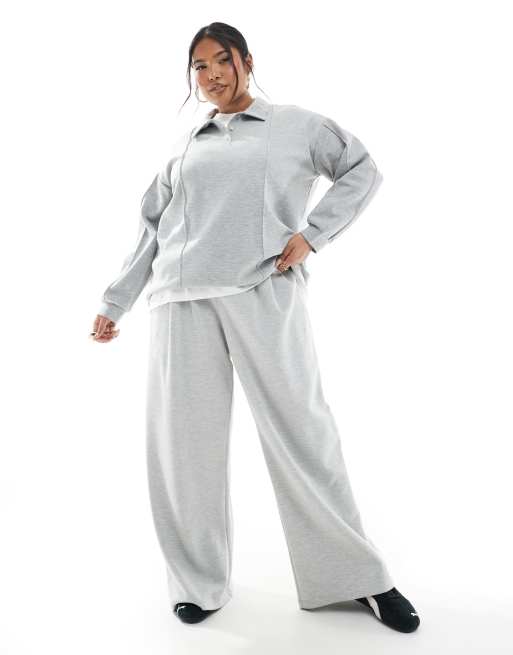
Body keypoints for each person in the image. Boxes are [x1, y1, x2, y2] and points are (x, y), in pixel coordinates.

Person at [90, 22, 420, 633]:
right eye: (200, 66)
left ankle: (356, 578)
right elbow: (152, 226)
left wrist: (312, 235)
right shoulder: (186, 146)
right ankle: (197, 582)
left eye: (222, 60)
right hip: (179, 302)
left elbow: (361, 169)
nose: (212, 74)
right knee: (184, 449)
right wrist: (116, 302)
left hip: (262, 290)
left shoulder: (294, 125)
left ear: (246, 60)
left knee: (304, 433)